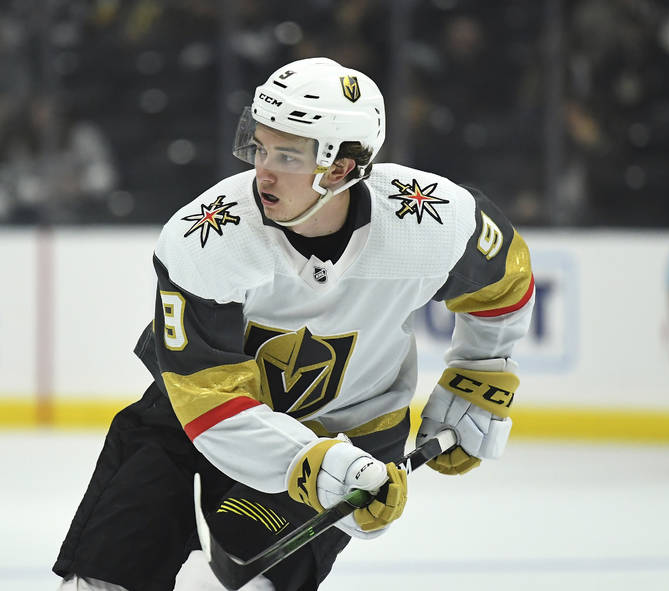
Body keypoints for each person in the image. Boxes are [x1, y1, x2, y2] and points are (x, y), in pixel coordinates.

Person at [52, 57, 535, 591]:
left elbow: (505, 280)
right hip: (193, 425)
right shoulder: (207, 237)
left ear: (341, 168)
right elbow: (208, 400)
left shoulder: (429, 219)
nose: (263, 169)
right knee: (102, 580)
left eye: (287, 154)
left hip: (352, 433)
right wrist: (311, 463)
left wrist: (482, 369)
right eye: (260, 147)